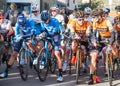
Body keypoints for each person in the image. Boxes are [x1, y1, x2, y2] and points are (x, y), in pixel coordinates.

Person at [0, 13, 36, 78]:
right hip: (21, 36)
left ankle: (35, 55)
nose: (22, 26)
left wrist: (32, 33)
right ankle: (6, 72)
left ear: (25, 20)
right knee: (14, 54)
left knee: (29, 43)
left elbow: (33, 30)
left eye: (23, 25)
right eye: (20, 25)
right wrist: (17, 38)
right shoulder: (17, 24)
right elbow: (16, 34)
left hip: (29, 35)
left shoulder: (30, 21)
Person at [88, 8, 115, 85]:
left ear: (100, 16)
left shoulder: (107, 21)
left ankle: (110, 68)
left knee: (108, 52)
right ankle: (91, 76)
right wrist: (94, 41)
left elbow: (113, 33)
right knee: (93, 55)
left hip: (109, 39)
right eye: (94, 17)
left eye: (96, 16)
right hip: (100, 40)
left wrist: (110, 43)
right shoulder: (95, 22)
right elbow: (93, 34)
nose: (95, 18)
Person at [40, 10, 63, 82]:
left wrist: (49, 34)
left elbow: (56, 30)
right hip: (48, 35)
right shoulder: (42, 22)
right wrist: (42, 34)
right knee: (40, 43)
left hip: (55, 35)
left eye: (46, 20)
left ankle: (60, 74)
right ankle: (43, 58)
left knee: (57, 54)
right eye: (43, 21)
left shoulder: (55, 21)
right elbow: (43, 30)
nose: (45, 22)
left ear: (49, 17)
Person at [50, 6, 67, 72]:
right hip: (52, 33)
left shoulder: (60, 17)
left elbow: (62, 26)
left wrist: (62, 32)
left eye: (54, 10)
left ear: (57, 11)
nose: (53, 12)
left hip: (60, 33)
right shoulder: (50, 17)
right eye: (52, 10)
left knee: (62, 46)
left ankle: (63, 61)